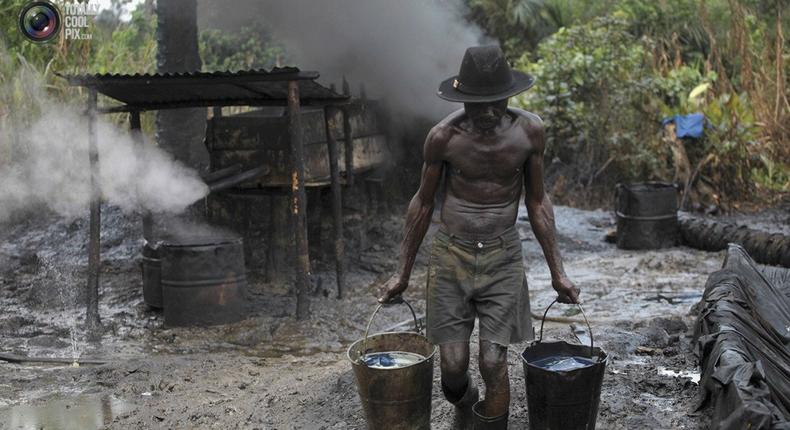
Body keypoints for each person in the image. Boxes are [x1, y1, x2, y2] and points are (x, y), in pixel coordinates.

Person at [378, 45, 580, 429]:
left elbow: (538, 203)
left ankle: (490, 422)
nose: (488, 112)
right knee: (453, 369)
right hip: (451, 255)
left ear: (508, 95)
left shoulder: (529, 133)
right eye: (478, 103)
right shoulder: (443, 137)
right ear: (463, 99)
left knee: (493, 360)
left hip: (503, 255)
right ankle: (466, 403)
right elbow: (422, 204)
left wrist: (559, 272)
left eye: (495, 102)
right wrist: (401, 273)